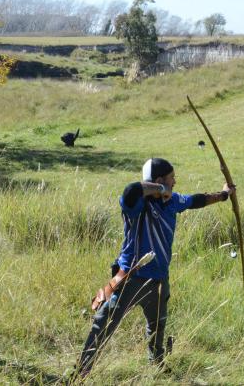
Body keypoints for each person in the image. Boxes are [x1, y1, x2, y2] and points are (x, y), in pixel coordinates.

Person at [73, 157, 235, 378]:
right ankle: (81, 372)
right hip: (131, 279)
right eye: (171, 178)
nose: (175, 182)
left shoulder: (172, 201)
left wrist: (224, 194)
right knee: (104, 325)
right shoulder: (138, 206)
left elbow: (196, 200)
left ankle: (157, 366)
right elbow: (131, 190)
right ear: (159, 181)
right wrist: (160, 188)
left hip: (159, 280)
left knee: (158, 327)